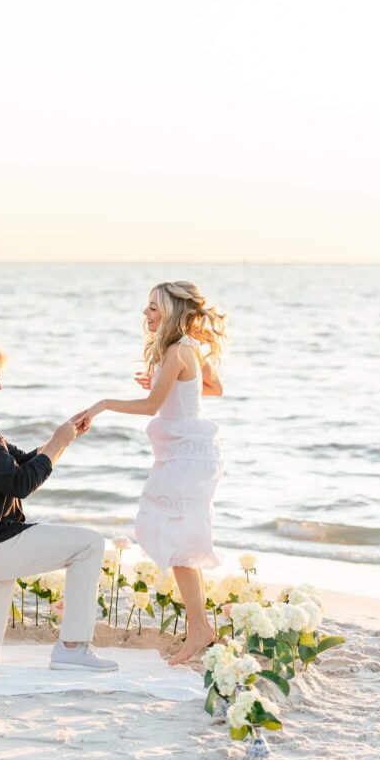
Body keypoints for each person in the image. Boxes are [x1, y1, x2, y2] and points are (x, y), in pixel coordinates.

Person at [0, 335, 118, 672]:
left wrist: (64, 439)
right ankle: (72, 647)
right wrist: (57, 443)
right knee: (89, 544)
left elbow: (19, 464)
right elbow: (19, 484)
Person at [75, 280, 227, 665]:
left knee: (177, 539)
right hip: (185, 451)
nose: (146, 314)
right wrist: (167, 385)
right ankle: (200, 628)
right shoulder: (189, 348)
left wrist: (104, 404)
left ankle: (200, 631)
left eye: (153, 308)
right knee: (177, 538)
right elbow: (211, 388)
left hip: (186, 455)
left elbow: (150, 407)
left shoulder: (178, 350)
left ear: (173, 312)